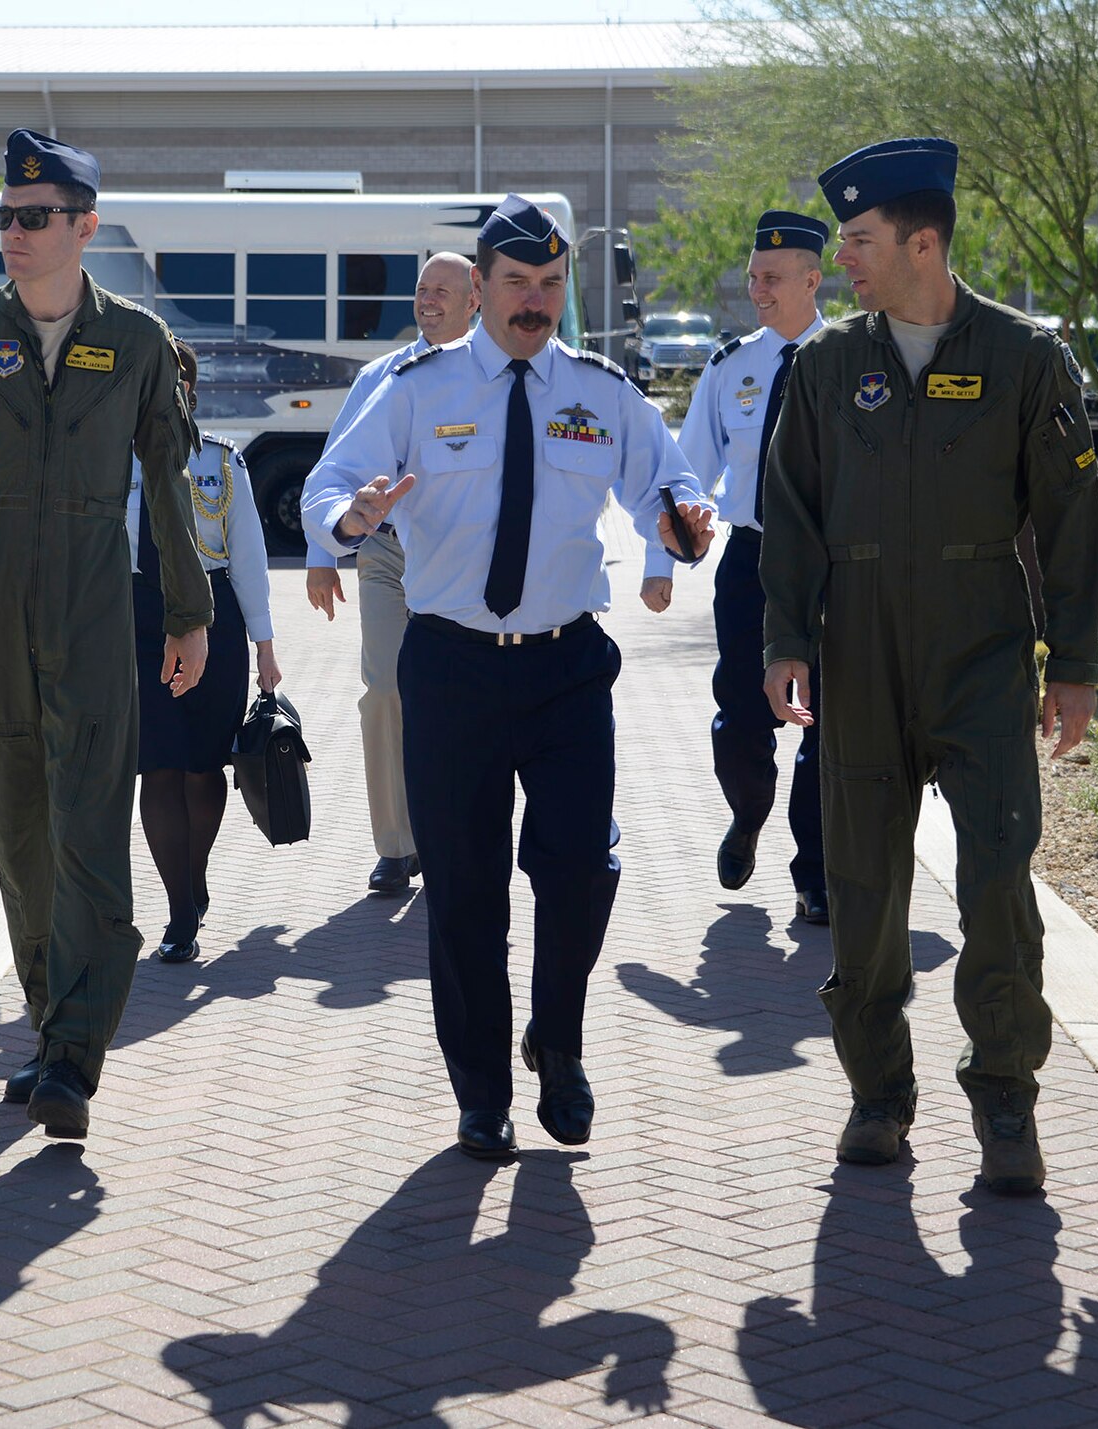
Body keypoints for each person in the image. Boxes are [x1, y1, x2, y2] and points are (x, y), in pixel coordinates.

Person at [303, 195, 718, 1161]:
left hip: (568, 667)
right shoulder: (414, 387)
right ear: (480, 286)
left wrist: (682, 516)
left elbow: (667, 482)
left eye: (550, 284)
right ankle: (482, 1089)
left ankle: (558, 1042)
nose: (534, 302)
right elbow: (332, 483)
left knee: (579, 868)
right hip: (450, 667)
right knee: (465, 886)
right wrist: (354, 516)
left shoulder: (602, 388)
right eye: (516, 284)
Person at [759, 138, 1098, 1194]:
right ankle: (876, 1096)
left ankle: (1004, 1097)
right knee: (862, 889)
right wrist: (784, 640)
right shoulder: (824, 366)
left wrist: (1075, 661)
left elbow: (1068, 516)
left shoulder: (1022, 356)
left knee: (996, 879)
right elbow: (789, 514)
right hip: (857, 652)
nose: (842, 262)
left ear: (922, 241)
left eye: (858, 243)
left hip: (980, 649)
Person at [0, 128, 215, 1142]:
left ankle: (75, 1053)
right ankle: (46, 1022)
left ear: (84, 227)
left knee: (89, 830)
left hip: (95, 600)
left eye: (34, 218)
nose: (14, 234)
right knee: (21, 830)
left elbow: (168, 486)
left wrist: (187, 611)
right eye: (5, 217)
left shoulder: (141, 344)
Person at [672, 209, 833, 925]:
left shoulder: (855, 361)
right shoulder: (731, 365)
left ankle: (816, 875)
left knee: (826, 726)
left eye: (771, 278)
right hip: (750, 561)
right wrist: (669, 546)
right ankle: (747, 812)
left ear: (812, 279)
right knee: (741, 718)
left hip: (835, 569)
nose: (757, 290)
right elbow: (686, 471)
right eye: (752, 277)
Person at [303, 252, 476, 898]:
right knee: (384, 689)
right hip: (386, 555)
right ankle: (397, 847)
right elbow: (336, 471)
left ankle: (455, 831)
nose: (427, 300)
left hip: (462, 558)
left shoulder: (495, 376)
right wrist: (324, 554)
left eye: (442, 291)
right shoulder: (380, 376)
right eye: (421, 289)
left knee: (464, 700)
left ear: (474, 299)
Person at [134, 340, 281, 965]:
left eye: (177, 384)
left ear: (191, 393)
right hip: (135, 618)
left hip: (213, 621)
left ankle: (193, 880)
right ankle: (178, 908)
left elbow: (248, 557)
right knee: (157, 765)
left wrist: (265, 646)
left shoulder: (221, 461)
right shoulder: (112, 463)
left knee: (203, 767)